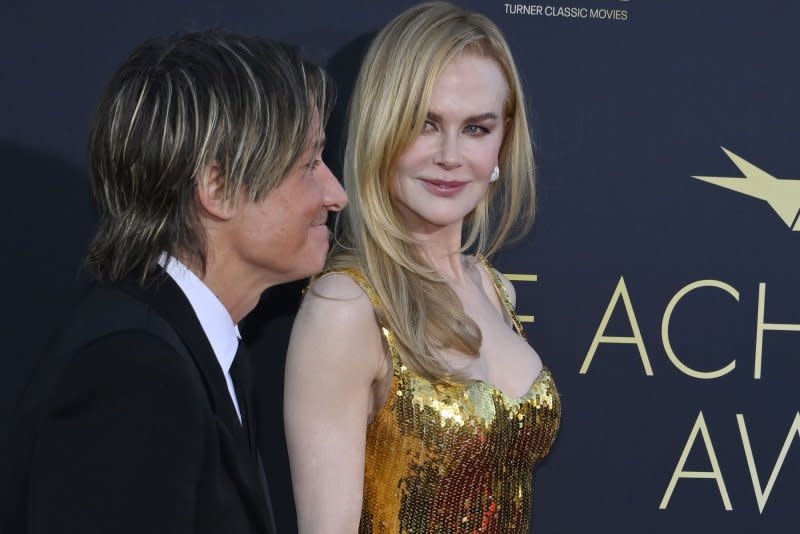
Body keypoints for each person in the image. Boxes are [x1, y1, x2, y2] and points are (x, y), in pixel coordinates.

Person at [1, 30, 346, 534]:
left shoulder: (198, 353)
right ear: (217, 188)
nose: (336, 194)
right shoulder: (136, 371)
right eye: (309, 165)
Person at [284, 2, 560, 533]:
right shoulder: (345, 307)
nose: (451, 156)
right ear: (381, 129)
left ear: (503, 140)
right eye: (424, 124)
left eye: (477, 128)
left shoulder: (494, 288)